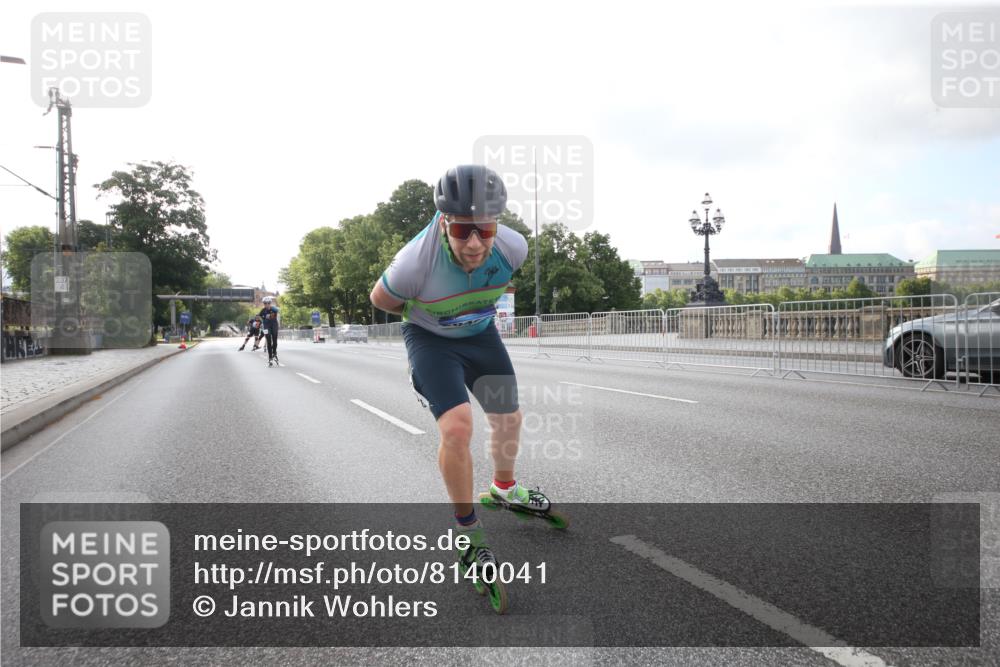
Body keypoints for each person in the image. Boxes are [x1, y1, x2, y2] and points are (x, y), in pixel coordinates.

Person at [369, 165, 553, 575]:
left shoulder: (514, 247)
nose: (474, 244)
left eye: (484, 231)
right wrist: (430, 313)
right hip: (430, 339)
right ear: (443, 222)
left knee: (509, 418)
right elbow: (380, 298)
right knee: (456, 427)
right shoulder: (412, 265)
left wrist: (466, 309)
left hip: (480, 334)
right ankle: (466, 530)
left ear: (497, 226)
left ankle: (504, 488)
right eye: (462, 231)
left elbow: (494, 275)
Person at [259, 297, 280, 365]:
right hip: (266, 327)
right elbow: (260, 316)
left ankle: (274, 353)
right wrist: (263, 322)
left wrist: (274, 308)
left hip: (274, 326)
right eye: (265, 303)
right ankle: (270, 357)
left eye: (268, 303)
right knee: (268, 341)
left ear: (270, 303)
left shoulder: (274, 309)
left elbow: (278, 311)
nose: (267, 304)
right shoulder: (263, 310)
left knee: (274, 340)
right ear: (264, 304)